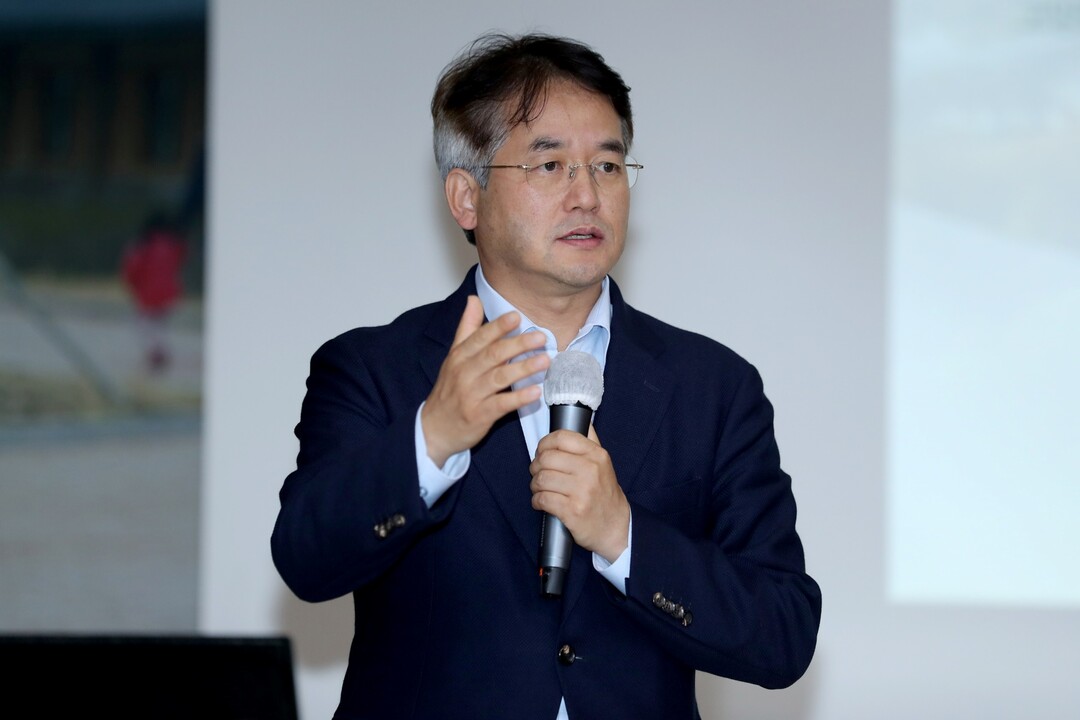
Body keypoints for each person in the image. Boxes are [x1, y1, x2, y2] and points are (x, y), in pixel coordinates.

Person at [271, 33, 821, 719]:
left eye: (608, 166)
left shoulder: (712, 387)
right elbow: (306, 561)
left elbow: (782, 635)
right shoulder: (375, 370)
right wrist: (432, 438)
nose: (586, 195)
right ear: (466, 196)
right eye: (550, 164)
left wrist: (623, 535)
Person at [120, 212, 187, 373]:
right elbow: (181, 258)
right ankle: (160, 352)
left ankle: (157, 354)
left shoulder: (142, 245)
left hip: (149, 292)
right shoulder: (172, 244)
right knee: (159, 324)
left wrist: (132, 285)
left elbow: (131, 268)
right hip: (170, 292)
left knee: (144, 324)